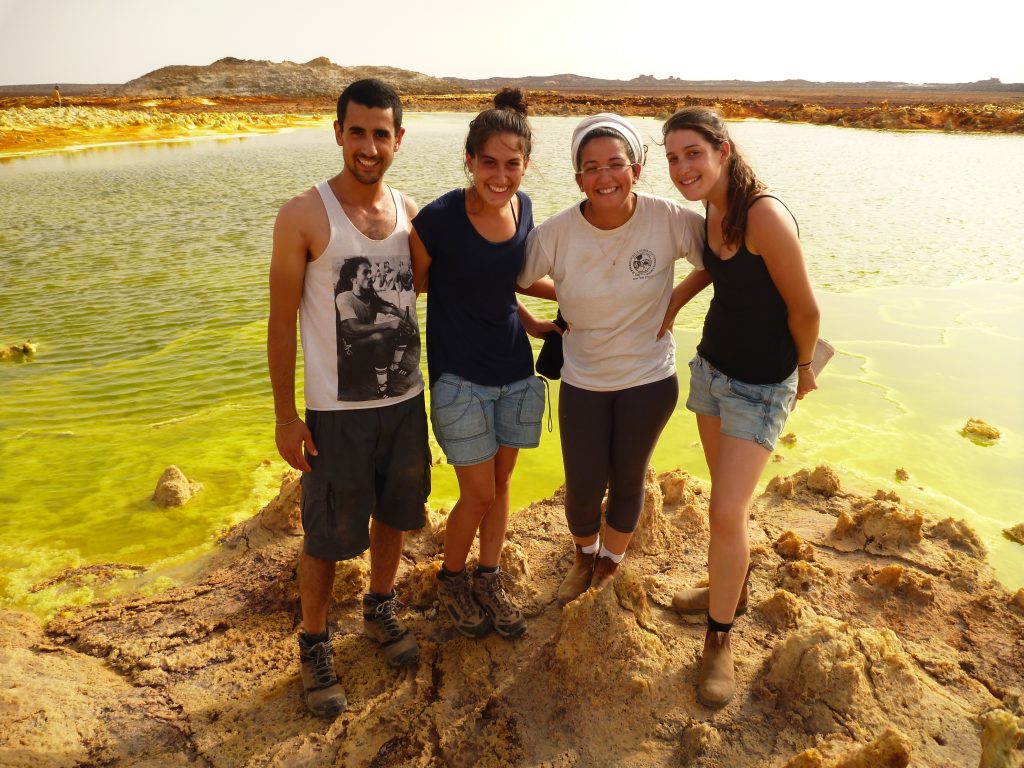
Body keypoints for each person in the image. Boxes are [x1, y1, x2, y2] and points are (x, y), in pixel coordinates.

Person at [268, 78, 430, 718]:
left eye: (380, 134)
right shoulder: (304, 215)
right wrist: (286, 417)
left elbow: (440, 288)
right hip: (334, 414)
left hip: (405, 402)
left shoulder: (410, 212)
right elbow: (281, 323)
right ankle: (314, 644)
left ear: (398, 139)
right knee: (326, 534)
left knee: (395, 513)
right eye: (356, 132)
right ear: (337, 133)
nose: (368, 146)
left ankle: (379, 609)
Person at [659, 106, 820, 707]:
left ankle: (719, 638)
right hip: (712, 371)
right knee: (727, 507)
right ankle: (732, 587)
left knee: (726, 513)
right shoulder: (714, 207)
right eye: (672, 158)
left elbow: (805, 308)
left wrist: (804, 369)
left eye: (693, 154)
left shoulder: (763, 214)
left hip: (761, 385)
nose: (682, 168)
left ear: (723, 150)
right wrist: (676, 300)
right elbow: (717, 267)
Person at [517, 113, 704, 606]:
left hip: (649, 377)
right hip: (584, 379)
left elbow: (719, 258)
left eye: (616, 164)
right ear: (578, 178)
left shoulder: (669, 218)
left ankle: (609, 563)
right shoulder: (556, 233)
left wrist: (675, 301)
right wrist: (550, 304)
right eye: (592, 167)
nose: (605, 177)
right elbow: (512, 279)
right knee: (582, 487)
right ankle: (584, 555)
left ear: (636, 169)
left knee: (628, 479)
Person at [410, 89, 558, 640]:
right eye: (489, 163)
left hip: (515, 370)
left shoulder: (525, 208)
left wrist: (543, 316)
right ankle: (452, 579)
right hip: (459, 378)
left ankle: (489, 577)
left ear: (526, 164)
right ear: (469, 160)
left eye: (511, 164)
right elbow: (414, 289)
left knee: (502, 481)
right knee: (478, 493)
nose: (500, 176)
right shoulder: (438, 219)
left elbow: (506, 280)